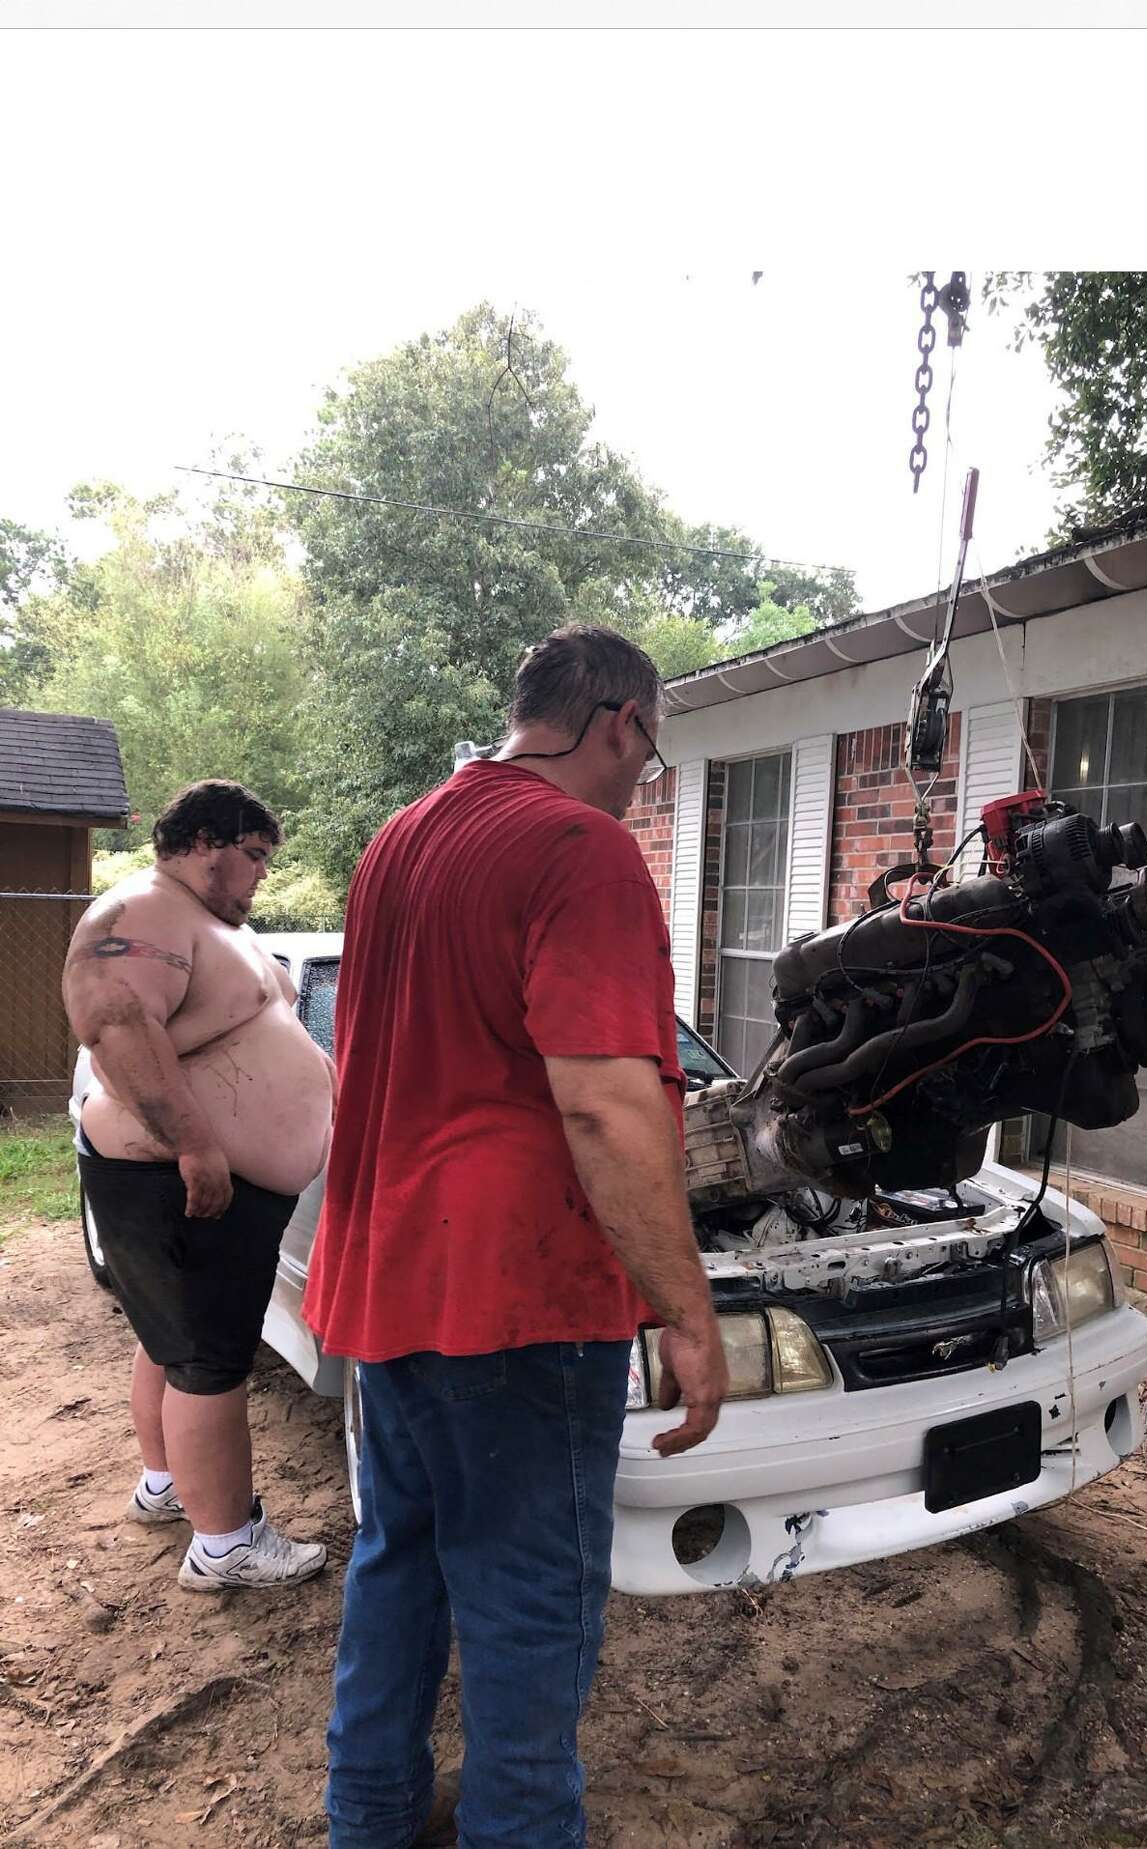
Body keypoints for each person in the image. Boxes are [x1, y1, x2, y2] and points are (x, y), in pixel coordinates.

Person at [305, 625, 729, 1849]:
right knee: (531, 1603)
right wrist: (686, 1311)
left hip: (389, 1275)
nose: (645, 778)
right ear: (618, 724)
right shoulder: (580, 848)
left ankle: (370, 1817)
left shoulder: (404, 836)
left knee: (403, 1559)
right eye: (650, 750)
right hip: (516, 1298)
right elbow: (602, 1099)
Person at [62, 779, 333, 1592]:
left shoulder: (206, 922)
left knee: (170, 1341)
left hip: (205, 1182)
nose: (259, 876)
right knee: (211, 1360)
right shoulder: (143, 910)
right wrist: (197, 1146)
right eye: (253, 857)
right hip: (182, 1180)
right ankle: (225, 1543)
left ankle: (168, 1482)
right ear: (206, 842)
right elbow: (113, 1023)